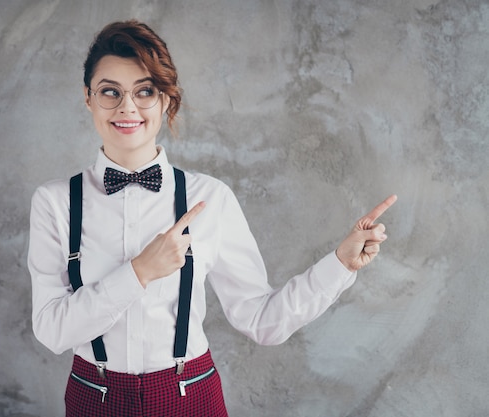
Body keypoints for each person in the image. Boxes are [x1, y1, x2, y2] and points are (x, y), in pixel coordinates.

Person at [27, 19, 397, 417]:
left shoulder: (210, 198)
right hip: (93, 397)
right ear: (88, 98)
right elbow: (52, 330)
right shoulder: (55, 202)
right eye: (109, 92)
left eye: (145, 91)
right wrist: (139, 272)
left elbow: (261, 321)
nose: (127, 107)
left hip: (191, 398)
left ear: (167, 99)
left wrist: (339, 264)